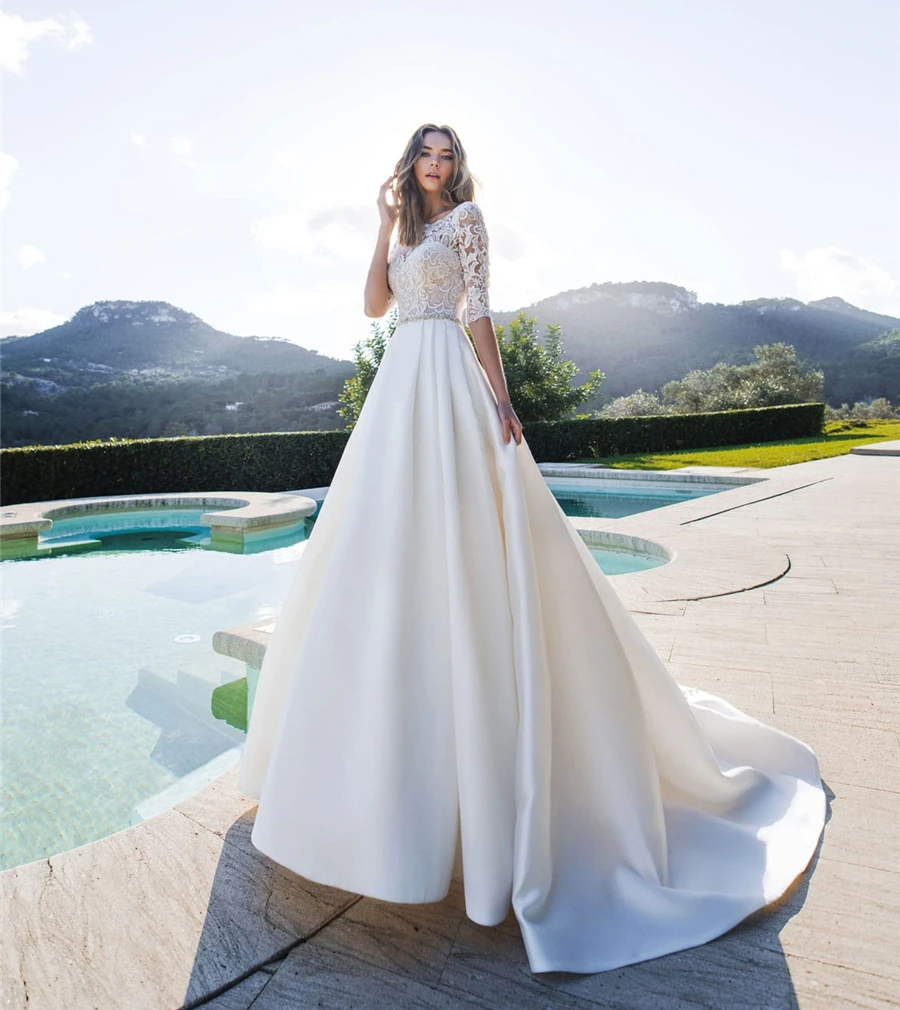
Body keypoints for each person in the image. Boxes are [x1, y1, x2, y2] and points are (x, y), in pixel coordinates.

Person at [236, 123, 826, 974]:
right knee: (380, 565)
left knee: (469, 554)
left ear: (457, 167)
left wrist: (502, 401)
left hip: (450, 383)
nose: (437, 168)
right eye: (424, 157)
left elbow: (477, 309)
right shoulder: (402, 228)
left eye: (445, 156)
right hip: (399, 383)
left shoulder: (467, 221)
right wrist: (379, 223)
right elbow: (374, 308)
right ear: (408, 166)